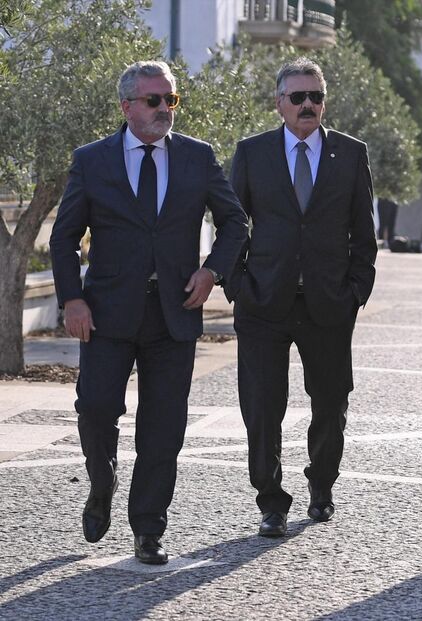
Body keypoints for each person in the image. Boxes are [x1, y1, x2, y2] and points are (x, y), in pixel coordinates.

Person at [49, 61, 247, 564]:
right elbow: (64, 235)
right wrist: (72, 298)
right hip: (105, 313)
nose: (165, 110)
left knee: (163, 427)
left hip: (173, 312)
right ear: (127, 106)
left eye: (171, 100)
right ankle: (101, 480)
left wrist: (211, 273)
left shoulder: (197, 158)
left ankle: (148, 528)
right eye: (154, 101)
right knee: (95, 409)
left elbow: (235, 223)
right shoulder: (92, 160)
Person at [228, 58, 376, 537]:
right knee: (262, 406)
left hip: (329, 305)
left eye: (315, 96)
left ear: (324, 103)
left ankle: (321, 485)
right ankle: (270, 501)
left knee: (331, 403)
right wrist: (237, 285)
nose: (307, 104)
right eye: (298, 97)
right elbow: (233, 226)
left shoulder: (351, 155)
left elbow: (364, 233)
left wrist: (356, 291)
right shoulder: (252, 154)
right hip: (263, 304)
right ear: (280, 104)